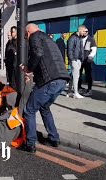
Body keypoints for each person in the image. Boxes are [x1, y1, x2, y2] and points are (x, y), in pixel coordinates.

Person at [21, 23, 70, 153]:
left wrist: (29, 69)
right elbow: (45, 60)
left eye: (26, 36)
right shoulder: (48, 39)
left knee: (29, 110)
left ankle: (30, 143)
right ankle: (54, 139)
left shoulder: (34, 36)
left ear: (28, 32)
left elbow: (37, 54)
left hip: (50, 81)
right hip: (62, 80)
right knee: (44, 107)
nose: (26, 38)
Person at [67, 25, 86, 99]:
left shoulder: (79, 38)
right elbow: (70, 49)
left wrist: (81, 59)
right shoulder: (72, 38)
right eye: (84, 31)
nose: (85, 33)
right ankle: (75, 93)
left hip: (78, 59)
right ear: (80, 30)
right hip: (74, 59)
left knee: (74, 75)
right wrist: (72, 59)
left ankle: (69, 92)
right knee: (76, 76)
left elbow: (81, 49)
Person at [78, 28, 97, 96]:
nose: (85, 32)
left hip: (87, 60)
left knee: (88, 74)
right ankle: (78, 87)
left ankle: (89, 89)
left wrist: (90, 57)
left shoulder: (91, 39)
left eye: (86, 31)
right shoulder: (79, 38)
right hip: (80, 60)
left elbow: (94, 50)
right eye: (83, 31)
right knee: (78, 74)